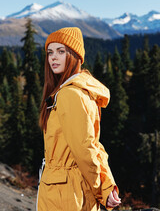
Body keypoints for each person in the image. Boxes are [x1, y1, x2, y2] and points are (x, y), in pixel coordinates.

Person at [37, 27, 121, 211]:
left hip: (64, 193)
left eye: (61, 51)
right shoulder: (76, 91)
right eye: (50, 52)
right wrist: (106, 186)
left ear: (75, 55)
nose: (53, 57)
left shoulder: (70, 94)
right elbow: (93, 145)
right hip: (70, 189)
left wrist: (102, 191)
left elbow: (85, 148)